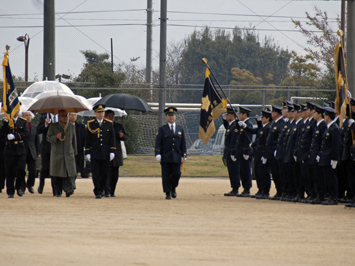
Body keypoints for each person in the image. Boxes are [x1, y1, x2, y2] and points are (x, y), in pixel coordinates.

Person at [155, 107, 187, 200]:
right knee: (166, 175)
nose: (171, 117)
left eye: (172, 115)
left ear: (175, 116)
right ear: (166, 117)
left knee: (176, 174)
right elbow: (158, 142)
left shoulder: (180, 128)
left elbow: (183, 143)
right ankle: (168, 192)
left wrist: (184, 154)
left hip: (177, 156)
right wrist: (157, 153)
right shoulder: (162, 129)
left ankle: (173, 187)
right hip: (165, 156)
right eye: (169, 115)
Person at [85, 104, 116, 199]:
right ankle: (98, 191)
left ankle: (102, 188)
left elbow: (112, 139)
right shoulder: (91, 124)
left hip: (105, 153)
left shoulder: (108, 123)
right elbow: (88, 139)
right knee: (96, 173)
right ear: (95, 113)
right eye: (99, 112)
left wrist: (112, 151)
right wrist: (87, 152)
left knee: (105, 173)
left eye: (102, 112)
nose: (101, 114)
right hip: (95, 153)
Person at [47, 109, 77, 197]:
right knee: (57, 173)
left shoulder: (71, 126)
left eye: (66, 115)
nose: (65, 118)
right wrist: (56, 136)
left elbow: (74, 141)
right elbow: (48, 138)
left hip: (68, 153)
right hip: (57, 153)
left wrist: (74, 152)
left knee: (69, 172)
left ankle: (69, 189)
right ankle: (57, 191)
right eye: (63, 116)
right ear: (59, 117)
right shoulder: (53, 126)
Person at [2, 110, 29, 198]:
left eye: (17, 110)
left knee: (21, 169)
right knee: (9, 171)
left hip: (20, 149)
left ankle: (19, 187)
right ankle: (10, 191)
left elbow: (26, 133)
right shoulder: (6, 120)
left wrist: (16, 136)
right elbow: (2, 133)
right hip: (9, 149)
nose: (16, 112)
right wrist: (5, 123)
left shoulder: (23, 121)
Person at [318, 107, 341, 205]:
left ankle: (333, 197)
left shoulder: (334, 128)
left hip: (330, 158)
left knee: (332, 178)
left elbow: (336, 145)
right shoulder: (329, 127)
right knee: (327, 178)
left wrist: (334, 159)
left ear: (328, 116)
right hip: (325, 157)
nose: (324, 117)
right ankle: (329, 195)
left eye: (325, 115)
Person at [104, 109, 128, 197]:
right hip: (106, 153)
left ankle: (112, 191)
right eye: (109, 116)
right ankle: (106, 190)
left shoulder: (118, 126)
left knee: (114, 174)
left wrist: (122, 136)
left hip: (117, 153)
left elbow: (125, 137)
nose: (111, 118)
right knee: (106, 173)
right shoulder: (103, 126)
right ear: (105, 117)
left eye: (112, 116)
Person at [250, 110, 273, 199]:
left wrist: (265, 154)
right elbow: (259, 140)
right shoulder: (263, 128)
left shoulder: (268, 128)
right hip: (258, 153)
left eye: (263, 117)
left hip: (262, 154)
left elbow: (266, 143)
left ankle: (265, 191)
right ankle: (260, 189)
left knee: (264, 173)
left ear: (267, 118)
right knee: (258, 173)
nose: (262, 119)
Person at [263, 105, 284, 200]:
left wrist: (276, 149)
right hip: (271, 153)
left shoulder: (281, 123)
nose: (271, 114)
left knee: (278, 173)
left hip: (275, 153)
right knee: (274, 174)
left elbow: (279, 139)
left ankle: (281, 191)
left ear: (276, 113)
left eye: (272, 112)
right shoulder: (275, 123)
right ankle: (278, 191)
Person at [235, 107, 254, 197]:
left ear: (245, 114)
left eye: (240, 114)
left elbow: (248, 139)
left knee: (246, 171)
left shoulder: (248, 124)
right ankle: (245, 188)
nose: (239, 115)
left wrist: (246, 152)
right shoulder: (242, 124)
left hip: (245, 152)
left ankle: (247, 189)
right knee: (242, 171)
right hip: (240, 152)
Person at [37, 113, 58, 195]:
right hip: (46, 147)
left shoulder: (60, 117)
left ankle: (55, 189)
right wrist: (46, 124)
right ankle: (41, 185)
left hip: (56, 147)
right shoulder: (44, 117)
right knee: (45, 168)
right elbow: (39, 130)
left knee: (55, 169)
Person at [222, 107, 240, 196]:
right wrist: (224, 119)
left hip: (232, 152)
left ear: (233, 115)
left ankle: (235, 188)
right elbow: (226, 127)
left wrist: (233, 152)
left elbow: (234, 141)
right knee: (231, 170)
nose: (226, 116)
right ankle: (233, 187)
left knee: (234, 170)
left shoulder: (235, 126)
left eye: (228, 114)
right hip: (228, 151)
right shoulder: (231, 125)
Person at [22, 111, 40, 194]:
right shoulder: (20, 126)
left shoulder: (34, 127)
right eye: (26, 115)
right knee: (21, 169)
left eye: (29, 115)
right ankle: (21, 185)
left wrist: (38, 152)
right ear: (23, 116)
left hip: (32, 151)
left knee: (33, 170)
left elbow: (37, 140)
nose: (28, 117)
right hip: (22, 150)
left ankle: (30, 185)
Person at [69, 112, 86, 179]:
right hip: (69, 149)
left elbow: (84, 138)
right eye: (72, 115)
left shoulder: (81, 126)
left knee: (77, 164)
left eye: (75, 115)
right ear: (69, 116)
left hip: (79, 149)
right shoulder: (66, 125)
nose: (73, 117)